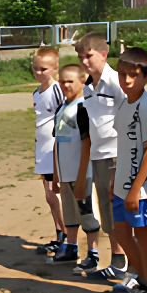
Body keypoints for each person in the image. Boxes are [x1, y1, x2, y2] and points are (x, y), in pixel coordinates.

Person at [109, 47, 147, 293]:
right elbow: (123, 147)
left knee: (143, 235)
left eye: (133, 74)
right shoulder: (124, 103)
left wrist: (135, 189)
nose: (127, 80)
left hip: (141, 191)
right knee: (120, 230)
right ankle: (140, 278)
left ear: (146, 76)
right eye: (122, 74)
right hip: (121, 185)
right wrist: (115, 182)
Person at [75, 32, 128, 280]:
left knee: (119, 208)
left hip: (118, 153)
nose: (85, 61)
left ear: (103, 54)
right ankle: (117, 260)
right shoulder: (87, 87)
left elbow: (132, 114)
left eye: (89, 55)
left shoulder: (117, 81)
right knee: (107, 210)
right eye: (80, 57)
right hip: (98, 155)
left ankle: (127, 262)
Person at [50, 65, 100, 265]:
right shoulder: (61, 107)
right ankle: (71, 246)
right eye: (62, 81)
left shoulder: (84, 107)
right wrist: (55, 174)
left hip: (82, 174)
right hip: (65, 173)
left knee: (87, 212)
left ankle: (93, 252)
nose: (65, 85)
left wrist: (82, 175)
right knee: (70, 212)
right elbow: (57, 142)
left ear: (82, 82)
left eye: (70, 81)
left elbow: (87, 143)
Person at [31, 47, 66, 254]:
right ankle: (58, 232)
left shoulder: (57, 90)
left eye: (43, 69)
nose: (38, 72)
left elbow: (65, 117)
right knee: (49, 195)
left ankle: (67, 238)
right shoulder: (36, 93)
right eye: (35, 68)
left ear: (55, 68)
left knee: (57, 192)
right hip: (41, 149)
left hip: (54, 149)